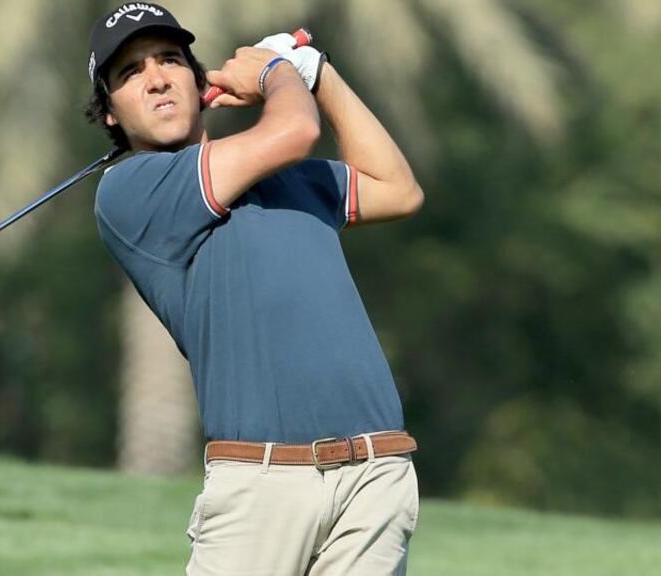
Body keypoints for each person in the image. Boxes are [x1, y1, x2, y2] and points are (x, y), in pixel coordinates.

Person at [85, 3, 424, 574]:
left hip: (376, 474)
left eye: (169, 60)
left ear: (200, 82)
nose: (157, 78)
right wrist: (276, 73)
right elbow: (296, 128)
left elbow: (398, 189)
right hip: (260, 485)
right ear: (112, 114)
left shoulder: (287, 180)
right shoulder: (130, 191)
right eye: (130, 73)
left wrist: (318, 72)